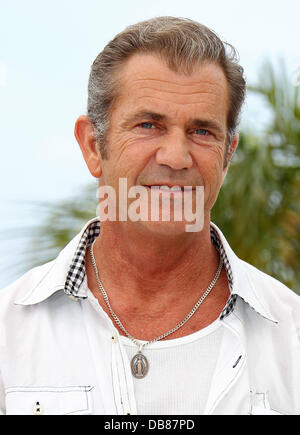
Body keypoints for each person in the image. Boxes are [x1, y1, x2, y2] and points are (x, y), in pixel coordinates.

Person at [0, 16, 299, 416]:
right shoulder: (8, 334)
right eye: (148, 125)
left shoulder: (291, 338)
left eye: (202, 132)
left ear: (228, 156)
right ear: (92, 145)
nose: (175, 158)